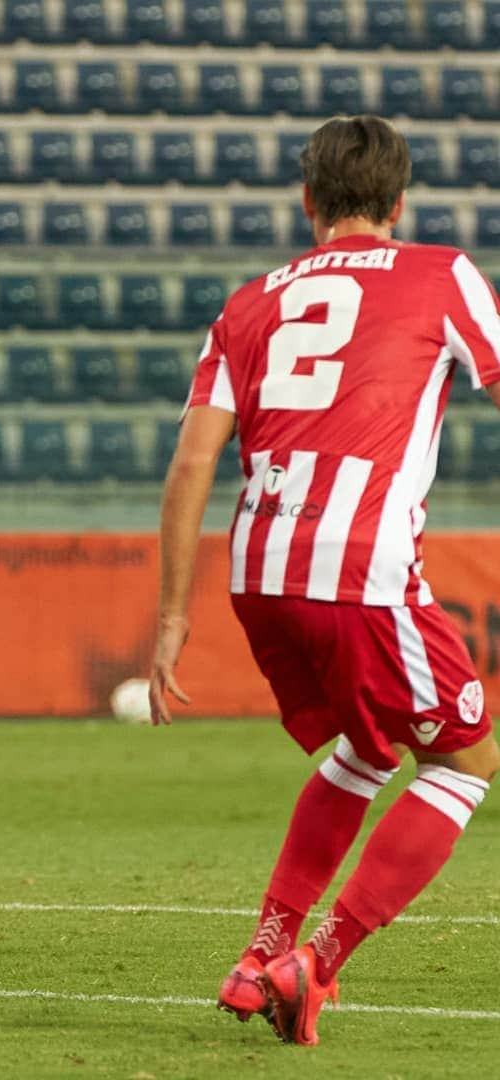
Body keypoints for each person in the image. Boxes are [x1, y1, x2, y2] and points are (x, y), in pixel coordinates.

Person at [149, 115, 500, 1046]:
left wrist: (172, 616)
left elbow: (189, 467)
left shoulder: (249, 301)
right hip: (361, 572)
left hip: (259, 571)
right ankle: (318, 963)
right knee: (467, 763)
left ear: (309, 203)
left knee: (371, 750)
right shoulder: (444, 275)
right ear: (398, 203)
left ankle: (261, 953)